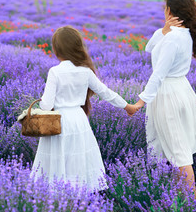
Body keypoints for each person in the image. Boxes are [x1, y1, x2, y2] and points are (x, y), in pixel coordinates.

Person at [30, 25, 138, 192]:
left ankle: (57, 202)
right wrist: (127, 106)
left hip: (58, 122)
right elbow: (105, 92)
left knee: (58, 163)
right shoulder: (85, 71)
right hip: (79, 120)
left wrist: (37, 104)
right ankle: (79, 200)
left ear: (57, 48)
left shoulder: (55, 72)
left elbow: (46, 105)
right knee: (78, 162)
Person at [130, 0, 196, 197]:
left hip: (168, 95)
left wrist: (139, 103)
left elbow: (158, 75)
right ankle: (182, 200)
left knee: (179, 155)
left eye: (165, 7)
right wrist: (164, 30)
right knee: (178, 153)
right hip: (180, 91)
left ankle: (191, 203)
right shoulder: (182, 34)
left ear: (170, 10)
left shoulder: (173, 39)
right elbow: (149, 48)